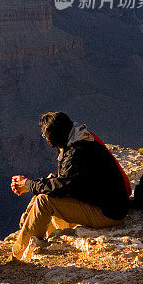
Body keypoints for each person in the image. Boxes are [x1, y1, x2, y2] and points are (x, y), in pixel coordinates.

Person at [11, 111, 131, 260]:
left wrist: (29, 184)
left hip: (108, 213)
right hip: (111, 205)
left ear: (55, 136)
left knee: (44, 202)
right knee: (48, 185)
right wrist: (30, 184)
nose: (46, 140)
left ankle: (18, 255)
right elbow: (66, 181)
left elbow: (62, 186)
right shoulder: (81, 140)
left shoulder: (76, 153)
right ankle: (46, 236)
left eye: (46, 135)